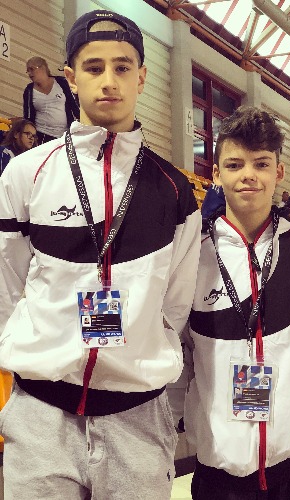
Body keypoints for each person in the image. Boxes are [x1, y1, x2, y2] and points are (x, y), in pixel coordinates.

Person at [0, 10, 201, 499]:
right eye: (94, 67)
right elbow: (7, 286)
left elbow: (175, 304)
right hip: (41, 416)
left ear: (141, 78)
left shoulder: (174, 190)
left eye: (122, 67)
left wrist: (135, 354)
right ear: (71, 78)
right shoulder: (26, 174)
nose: (109, 80)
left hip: (137, 416)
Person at [184, 105, 290, 499]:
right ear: (216, 174)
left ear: (279, 172)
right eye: (235, 164)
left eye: (261, 164)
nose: (248, 175)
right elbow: (184, 352)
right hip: (221, 468)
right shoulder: (193, 255)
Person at [23, 56, 80, 144]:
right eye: (28, 71)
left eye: (32, 69)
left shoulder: (62, 82)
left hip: (64, 135)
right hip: (41, 135)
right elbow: (28, 116)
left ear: (42, 68)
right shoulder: (29, 90)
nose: (30, 73)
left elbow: (74, 105)